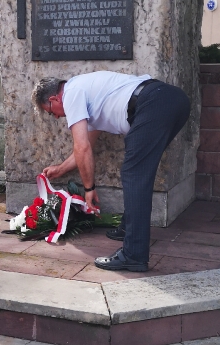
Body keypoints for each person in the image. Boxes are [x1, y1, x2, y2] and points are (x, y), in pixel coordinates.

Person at [31, 72, 190, 271]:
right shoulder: (86, 93)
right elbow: (85, 146)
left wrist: (89, 189)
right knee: (139, 171)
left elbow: (82, 148)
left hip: (153, 103)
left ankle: (133, 255)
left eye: (50, 112)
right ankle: (128, 228)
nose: (55, 116)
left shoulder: (71, 93)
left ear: (55, 99)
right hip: (173, 100)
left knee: (134, 174)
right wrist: (60, 169)